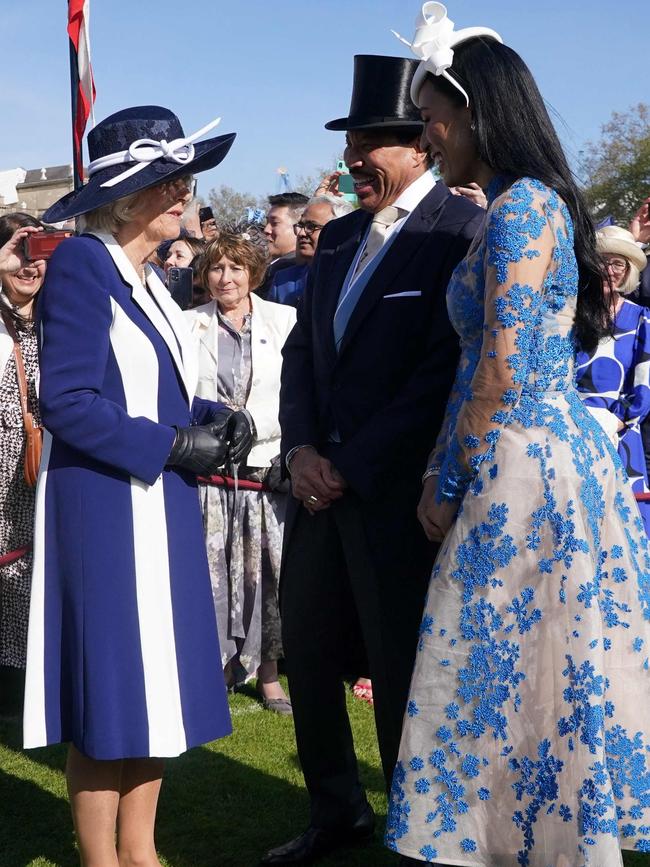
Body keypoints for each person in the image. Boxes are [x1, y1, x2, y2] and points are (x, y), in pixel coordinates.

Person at [385, 5, 650, 865]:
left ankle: (542, 839)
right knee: (518, 666)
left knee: (522, 664)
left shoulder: (520, 210)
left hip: (522, 470)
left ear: (474, 112)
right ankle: (521, 836)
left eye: (435, 116)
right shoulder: (518, 206)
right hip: (525, 457)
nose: (429, 135)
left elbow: (498, 369)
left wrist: (448, 480)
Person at [262, 54, 483, 866]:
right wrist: (303, 448)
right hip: (319, 489)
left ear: (419, 146)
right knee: (311, 651)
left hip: (395, 496)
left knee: (399, 670)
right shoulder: (345, 234)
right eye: (351, 143)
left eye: (371, 143)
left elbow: (440, 372)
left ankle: (415, 827)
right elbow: (301, 356)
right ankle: (338, 812)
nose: (355, 158)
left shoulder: (458, 233)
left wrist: (351, 462)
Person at [22, 105, 253, 867]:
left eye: (182, 178)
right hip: (105, 506)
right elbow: (67, 402)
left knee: (155, 686)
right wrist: (175, 444)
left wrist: (214, 420)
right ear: (128, 198)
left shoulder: (148, 276)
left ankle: (141, 849)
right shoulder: (84, 266)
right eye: (169, 179)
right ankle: (102, 859)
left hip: (159, 503)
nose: (184, 190)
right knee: (111, 687)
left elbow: (156, 390)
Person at [185, 232, 297, 713]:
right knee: (210, 574)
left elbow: (294, 395)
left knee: (264, 576)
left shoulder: (285, 320)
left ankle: (269, 676)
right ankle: (212, 670)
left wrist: (255, 424)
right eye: (215, 268)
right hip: (208, 472)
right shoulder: (186, 324)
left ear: (253, 271)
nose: (225, 278)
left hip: (262, 470)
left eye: (234, 268)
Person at [0, 213, 45, 716]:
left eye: (40, 255)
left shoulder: (61, 314)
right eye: (19, 254)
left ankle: (25, 682)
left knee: (30, 576)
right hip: (2, 460)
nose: (30, 266)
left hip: (44, 465)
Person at [576, 226, 650, 533]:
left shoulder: (640, 318)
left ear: (628, 270)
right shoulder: (570, 313)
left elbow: (644, 385)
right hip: (565, 431)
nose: (609, 269)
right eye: (602, 260)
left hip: (616, 438)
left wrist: (614, 422)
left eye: (618, 263)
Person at [267, 195, 354, 306]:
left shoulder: (353, 277)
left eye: (311, 226)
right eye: (301, 225)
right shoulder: (283, 281)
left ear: (339, 230)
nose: (301, 233)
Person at [258, 192, 309, 298]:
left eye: (275, 223)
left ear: (299, 226)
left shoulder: (287, 270)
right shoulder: (272, 266)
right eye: (267, 222)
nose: (266, 230)